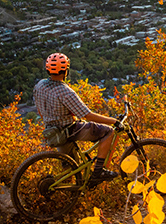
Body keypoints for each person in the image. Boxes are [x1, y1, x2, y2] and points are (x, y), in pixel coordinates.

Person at [33, 53, 121, 184]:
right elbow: (87, 115)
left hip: (53, 132)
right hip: (69, 130)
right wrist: (114, 121)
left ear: (47, 70)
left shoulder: (39, 85)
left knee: (70, 167)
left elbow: (40, 110)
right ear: (65, 71)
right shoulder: (65, 92)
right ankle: (98, 171)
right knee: (108, 131)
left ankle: (66, 198)